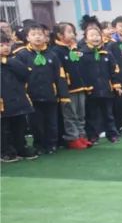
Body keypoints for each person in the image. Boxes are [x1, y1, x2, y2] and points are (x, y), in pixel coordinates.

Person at [14, 22, 68, 155]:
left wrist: (63, 94)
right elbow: (18, 77)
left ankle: (51, 144)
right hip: (32, 96)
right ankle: (39, 144)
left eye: (40, 34)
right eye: (33, 35)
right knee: (36, 124)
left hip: (50, 95)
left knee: (52, 122)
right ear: (27, 37)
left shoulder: (52, 55)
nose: (37, 37)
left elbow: (60, 75)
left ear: (45, 37)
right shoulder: (22, 55)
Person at [53, 21, 91, 150]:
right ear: (59, 35)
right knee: (70, 114)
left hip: (80, 86)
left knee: (81, 114)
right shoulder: (56, 51)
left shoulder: (74, 48)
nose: (73, 35)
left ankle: (82, 136)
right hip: (68, 89)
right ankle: (72, 138)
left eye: (73, 32)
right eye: (69, 32)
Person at [1, 31, 34, 162]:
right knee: (4, 129)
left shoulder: (14, 61)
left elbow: (25, 74)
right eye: (1, 45)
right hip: (3, 102)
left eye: (7, 44)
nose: (5, 47)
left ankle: (21, 148)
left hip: (18, 99)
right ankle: (5, 151)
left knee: (19, 126)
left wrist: (8, 62)